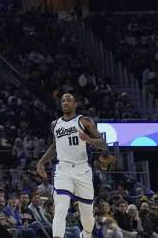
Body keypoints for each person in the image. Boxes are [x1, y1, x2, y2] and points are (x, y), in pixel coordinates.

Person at [36, 92, 106, 238]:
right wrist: (42, 161)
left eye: (68, 100)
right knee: (60, 207)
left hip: (82, 170)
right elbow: (54, 146)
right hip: (63, 170)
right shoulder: (55, 124)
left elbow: (104, 145)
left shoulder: (85, 121)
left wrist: (89, 140)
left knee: (87, 214)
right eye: (62, 101)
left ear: (75, 104)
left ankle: (86, 234)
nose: (65, 103)